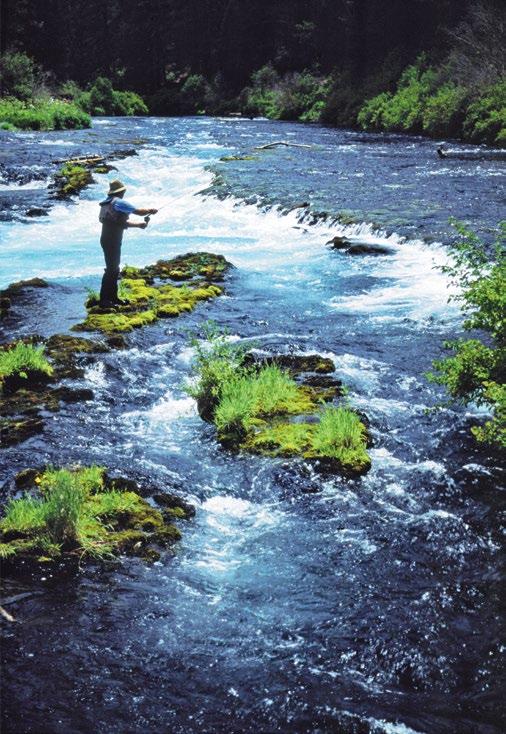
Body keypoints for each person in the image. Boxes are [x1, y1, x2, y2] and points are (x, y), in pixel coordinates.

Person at [98, 179, 158, 307]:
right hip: (112, 239)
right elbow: (139, 211)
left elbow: (119, 223)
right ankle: (104, 301)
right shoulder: (119, 202)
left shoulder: (108, 203)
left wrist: (139, 225)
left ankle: (113, 298)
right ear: (121, 191)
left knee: (114, 268)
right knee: (112, 269)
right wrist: (150, 210)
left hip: (107, 238)